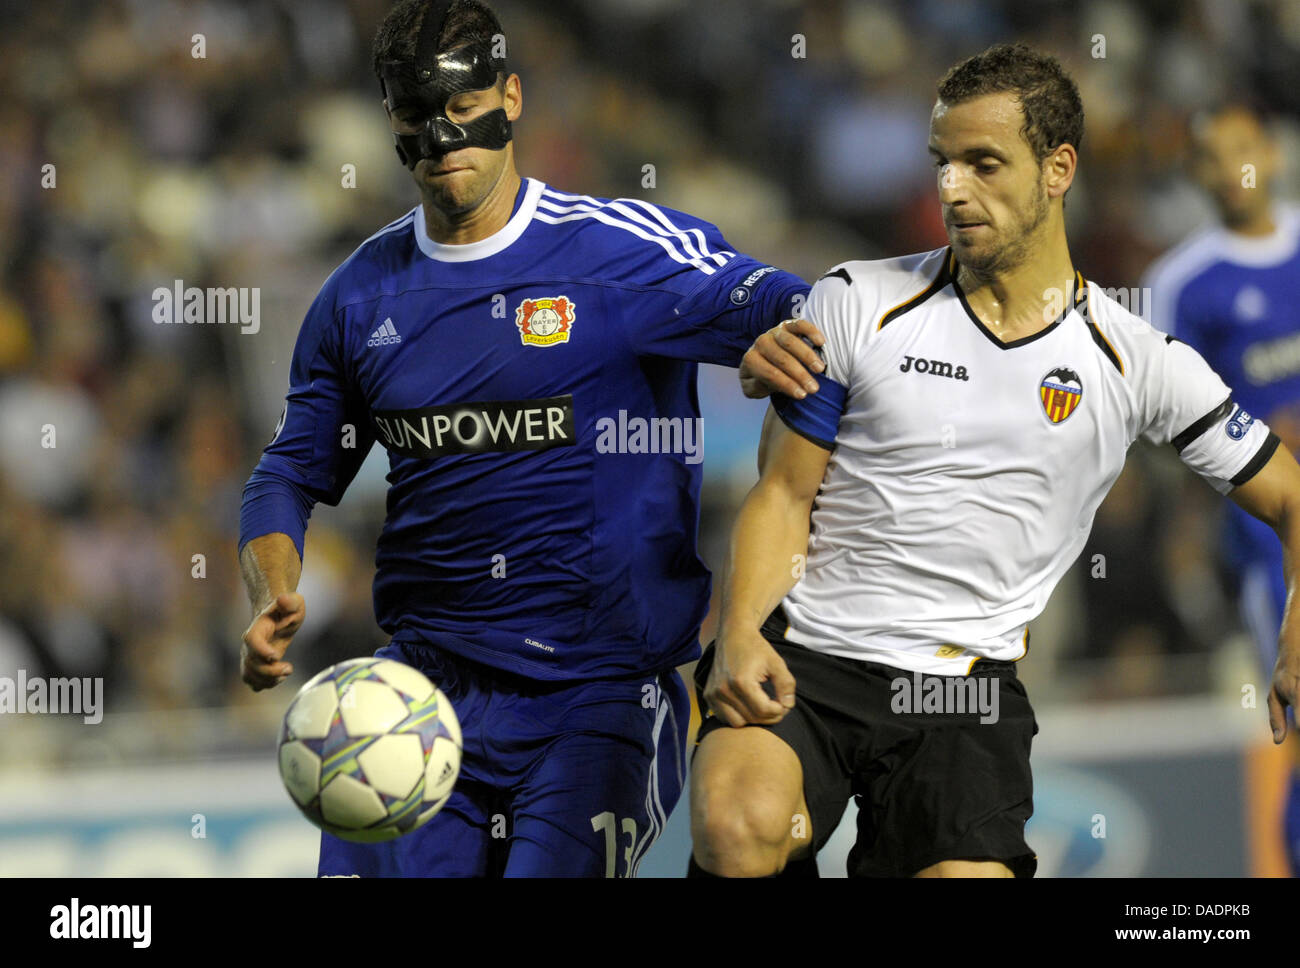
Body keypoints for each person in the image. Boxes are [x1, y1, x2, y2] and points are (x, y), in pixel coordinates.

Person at [236, 0, 820, 877]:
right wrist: (272, 590)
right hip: (418, 696)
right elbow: (286, 473)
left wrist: (773, 343)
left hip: (602, 692)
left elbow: (810, 312)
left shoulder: (620, 254)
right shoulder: (357, 302)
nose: (445, 138)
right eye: (418, 120)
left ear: (511, 94)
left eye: (467, 110)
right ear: (392, 123)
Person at [691, 43, 1300, 878]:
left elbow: (1290, 498)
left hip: (961, 693)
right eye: (942, 163)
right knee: (737, 824)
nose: (952, 189)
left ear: (1059, 169)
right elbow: (782, 496)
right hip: (811, 659)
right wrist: (738, 634)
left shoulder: (1139, 362)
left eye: (983, 164)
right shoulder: (857, 301)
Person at [1142, 103, 1300, 874]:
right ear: (1195, 174)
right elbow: (1163, 425)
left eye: (1242, 148)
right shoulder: (1179, 282)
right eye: (1211, 156)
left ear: (1268, 153)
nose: (1231, 168)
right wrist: (1264, 442)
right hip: (1271, 542)